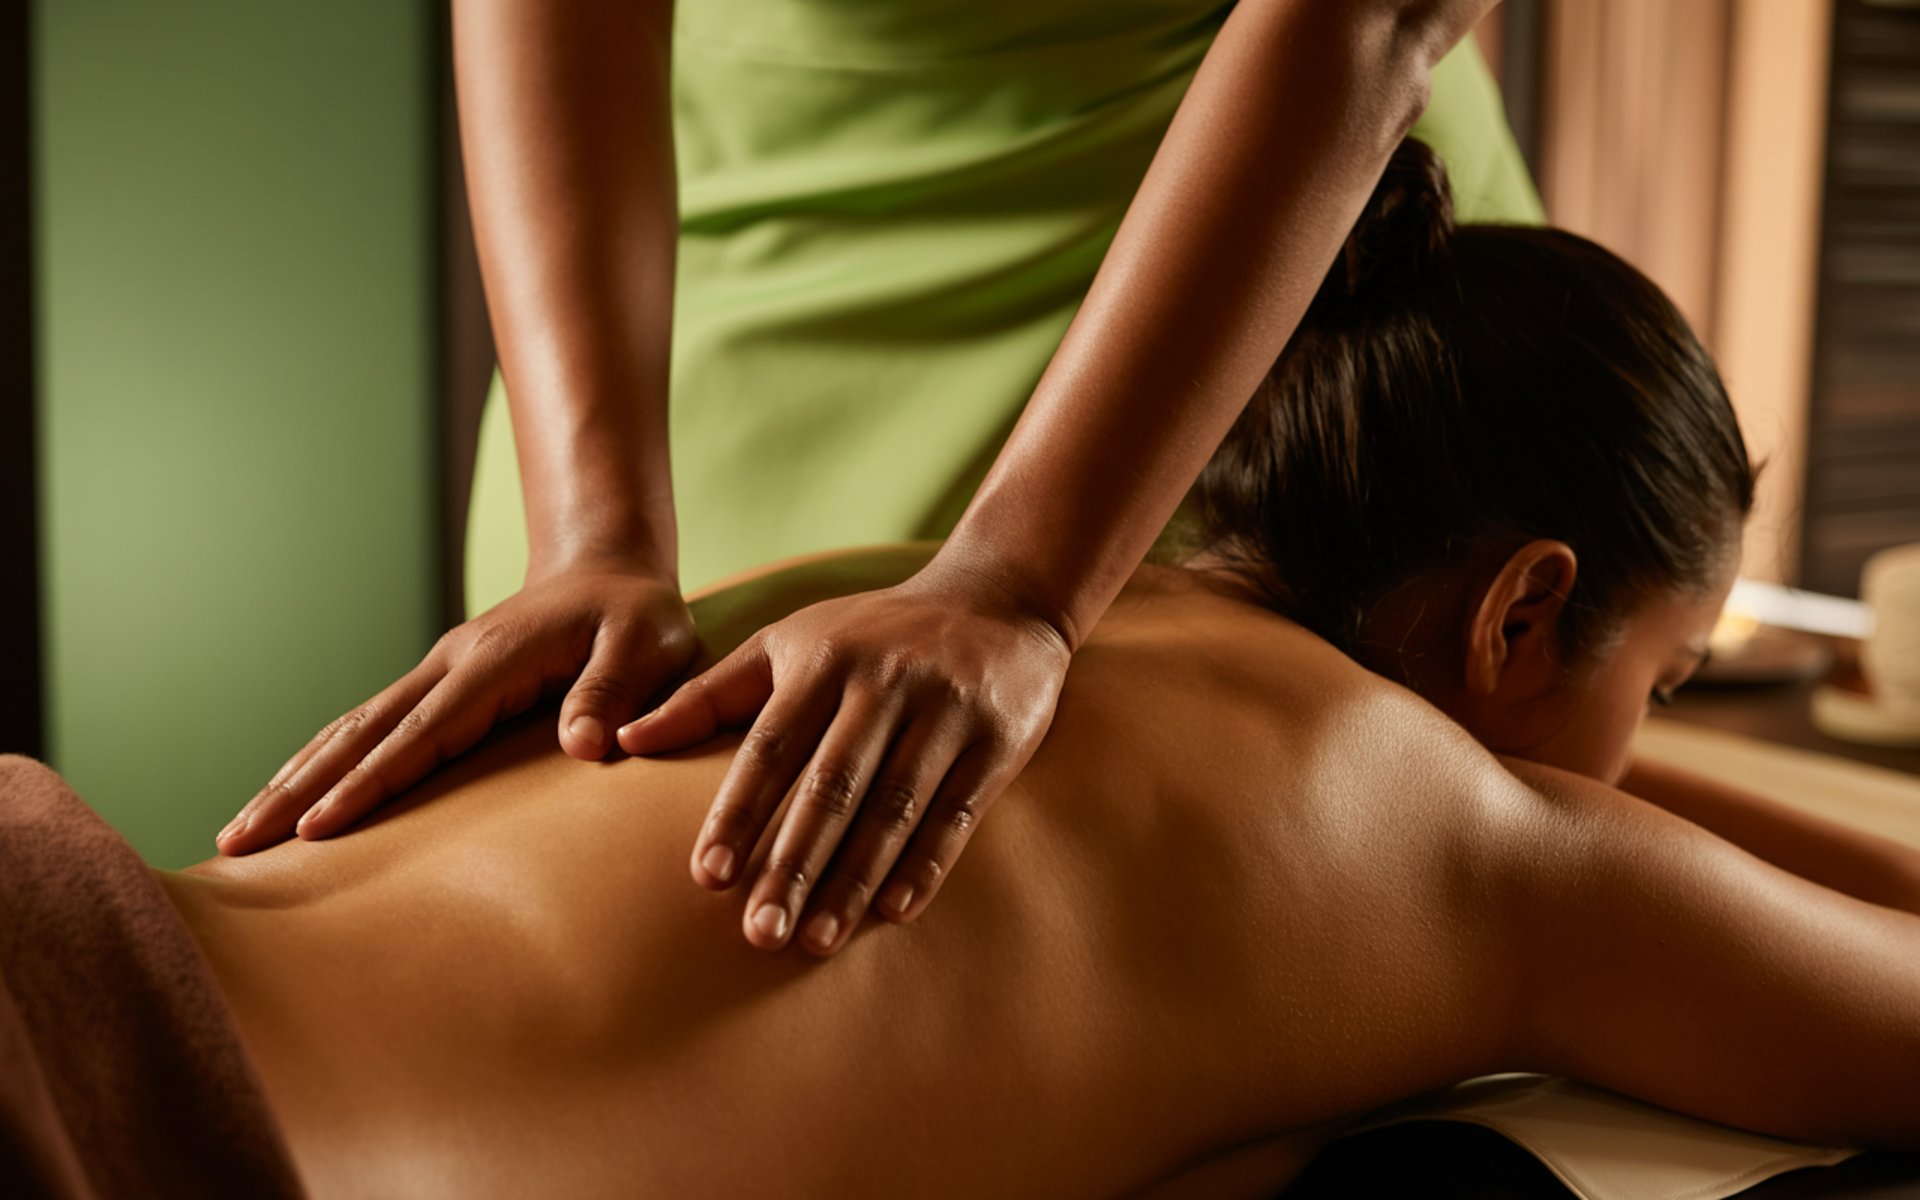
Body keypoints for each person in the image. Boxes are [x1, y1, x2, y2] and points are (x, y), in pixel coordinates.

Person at [9, 144, 1913, 1198]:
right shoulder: (1441, 835)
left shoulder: (875, 602)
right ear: (1519, 611)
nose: (1631, 767)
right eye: (1659, 687)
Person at [215, 0, 1543, 953]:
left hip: (1263, 329)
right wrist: (593, 533)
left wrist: (1025, 578)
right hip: (662, 376)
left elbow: (1358, 20)